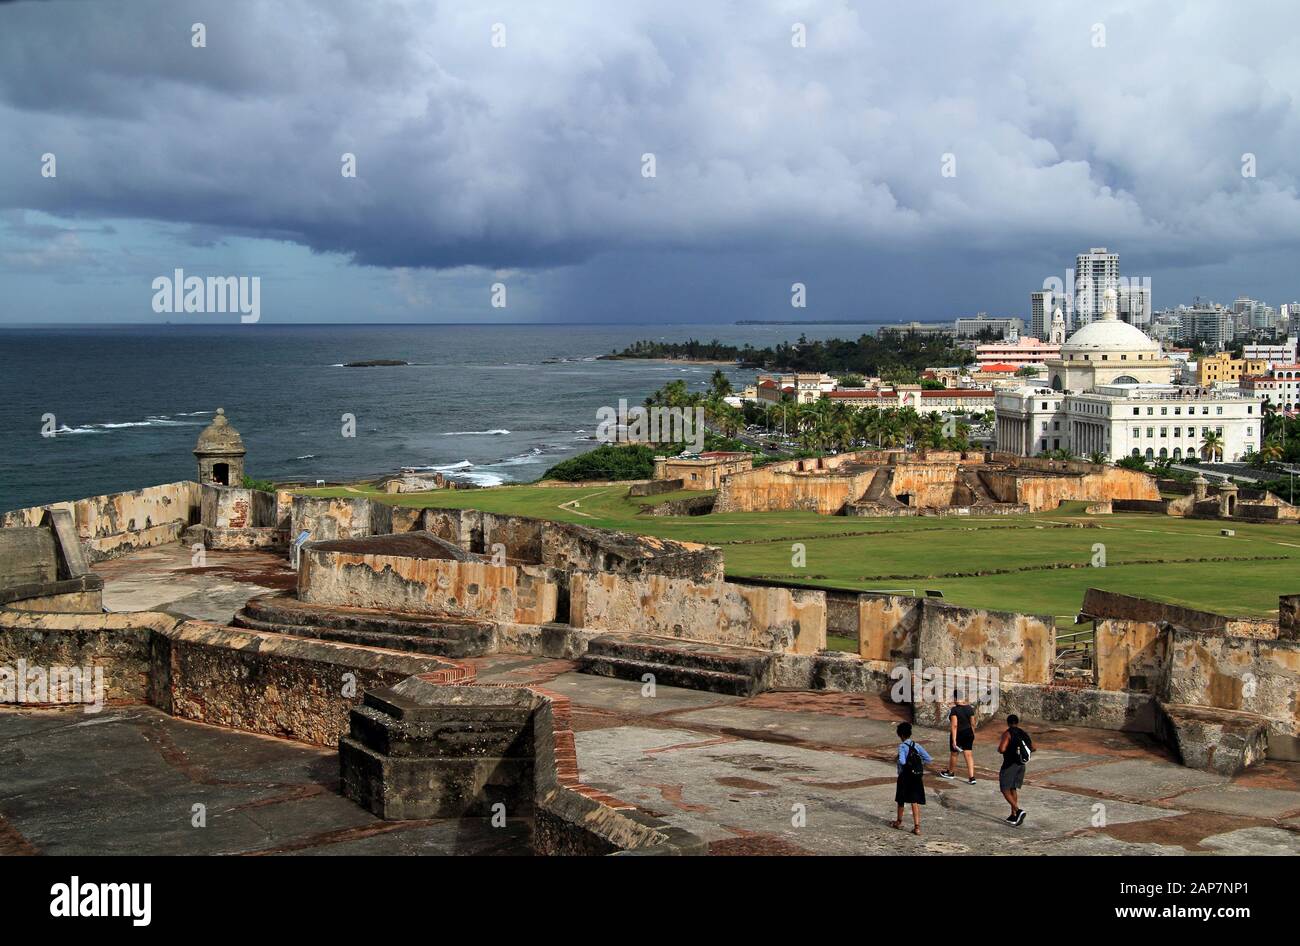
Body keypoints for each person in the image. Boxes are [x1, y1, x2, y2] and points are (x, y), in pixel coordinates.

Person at [892, 722, 932, 836]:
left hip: (905, 776)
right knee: (914, 801)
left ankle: (898, 822)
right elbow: (928, 759)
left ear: (900, 735)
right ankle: (917, 827)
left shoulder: (902, 746)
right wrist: (917, 764)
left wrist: (899, 759)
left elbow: (903, 761)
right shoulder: (917, 745)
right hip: (916, 776)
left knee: (901, 799)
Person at [997, 714, 1034, 826]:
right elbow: (1033, 748)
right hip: (1021, 765)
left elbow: (1002, 749)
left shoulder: (1008, 733)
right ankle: (1013, 815)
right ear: (1017, 722)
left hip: (1009, 765)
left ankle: (1018, 810)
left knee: (1004, 789)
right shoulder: (1023, 733)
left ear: (1008, 723)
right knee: (1013, 788)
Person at [938, 688, 977, 784]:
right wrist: (973, 734)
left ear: (955, 698)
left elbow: (954, 725)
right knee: (968, 755)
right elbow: (973, 723)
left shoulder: (954, 710)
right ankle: (972, 777)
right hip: (969, 733)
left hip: (959, 734)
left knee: (954, 754)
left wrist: (954, 740)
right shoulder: (969, 708)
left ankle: (950, 772)